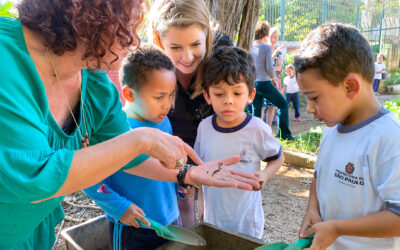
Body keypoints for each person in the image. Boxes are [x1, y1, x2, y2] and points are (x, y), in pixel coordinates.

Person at [0, 1, 260, 248]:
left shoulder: (93, 81)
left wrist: (186, 174)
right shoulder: (7, 61)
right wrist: (140, 140)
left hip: (29, 231)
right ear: (91, 20)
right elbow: (35, 180)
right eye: (127, 27)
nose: (135, 40)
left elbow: (128, 159)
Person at [295, 23, 400, 250]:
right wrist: (312, 208)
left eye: (314, 98)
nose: (310, 109)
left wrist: (338, 228)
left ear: (350, 86)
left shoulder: (389, 138)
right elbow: (319, 175)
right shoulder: (332, 127)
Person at [84, 46, 182, 250]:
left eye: (171, 95)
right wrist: (119, 207)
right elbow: (91, 181)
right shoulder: (111, 130)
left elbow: (167, 167)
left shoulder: (163, 121)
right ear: (129, 93)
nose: (168, 105)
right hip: (133, 227)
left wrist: (180, 188)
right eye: (159, 97)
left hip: (171, 219)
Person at [195, 46, 284, 239]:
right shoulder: (204, 128)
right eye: (219, 94)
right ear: (207, 96)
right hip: (213, 221)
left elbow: (278, 157)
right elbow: (201, 170)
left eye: (237, 93)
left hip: (247, 223)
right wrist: (201, 203)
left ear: (251, 95)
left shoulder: (258, 129)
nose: (228, 101)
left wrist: (265, 175)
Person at [148, 0, 214, 228]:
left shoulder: (219, 63)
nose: (187, 57)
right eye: (175, 47)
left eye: (196, 44)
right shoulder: (149, 72)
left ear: (207, 34)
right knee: (180, 217)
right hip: (170, 161)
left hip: (211, 156)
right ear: (158, 40)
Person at [250, 21, 294, 140]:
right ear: (265, 34)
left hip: (254, 84)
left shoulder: (251, 47)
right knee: (283, 104)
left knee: (257, 112)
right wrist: (274, 80)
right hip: (265, 83)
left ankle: (256, 137)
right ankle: (284, 134)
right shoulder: (266, 48)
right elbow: (270, 68)